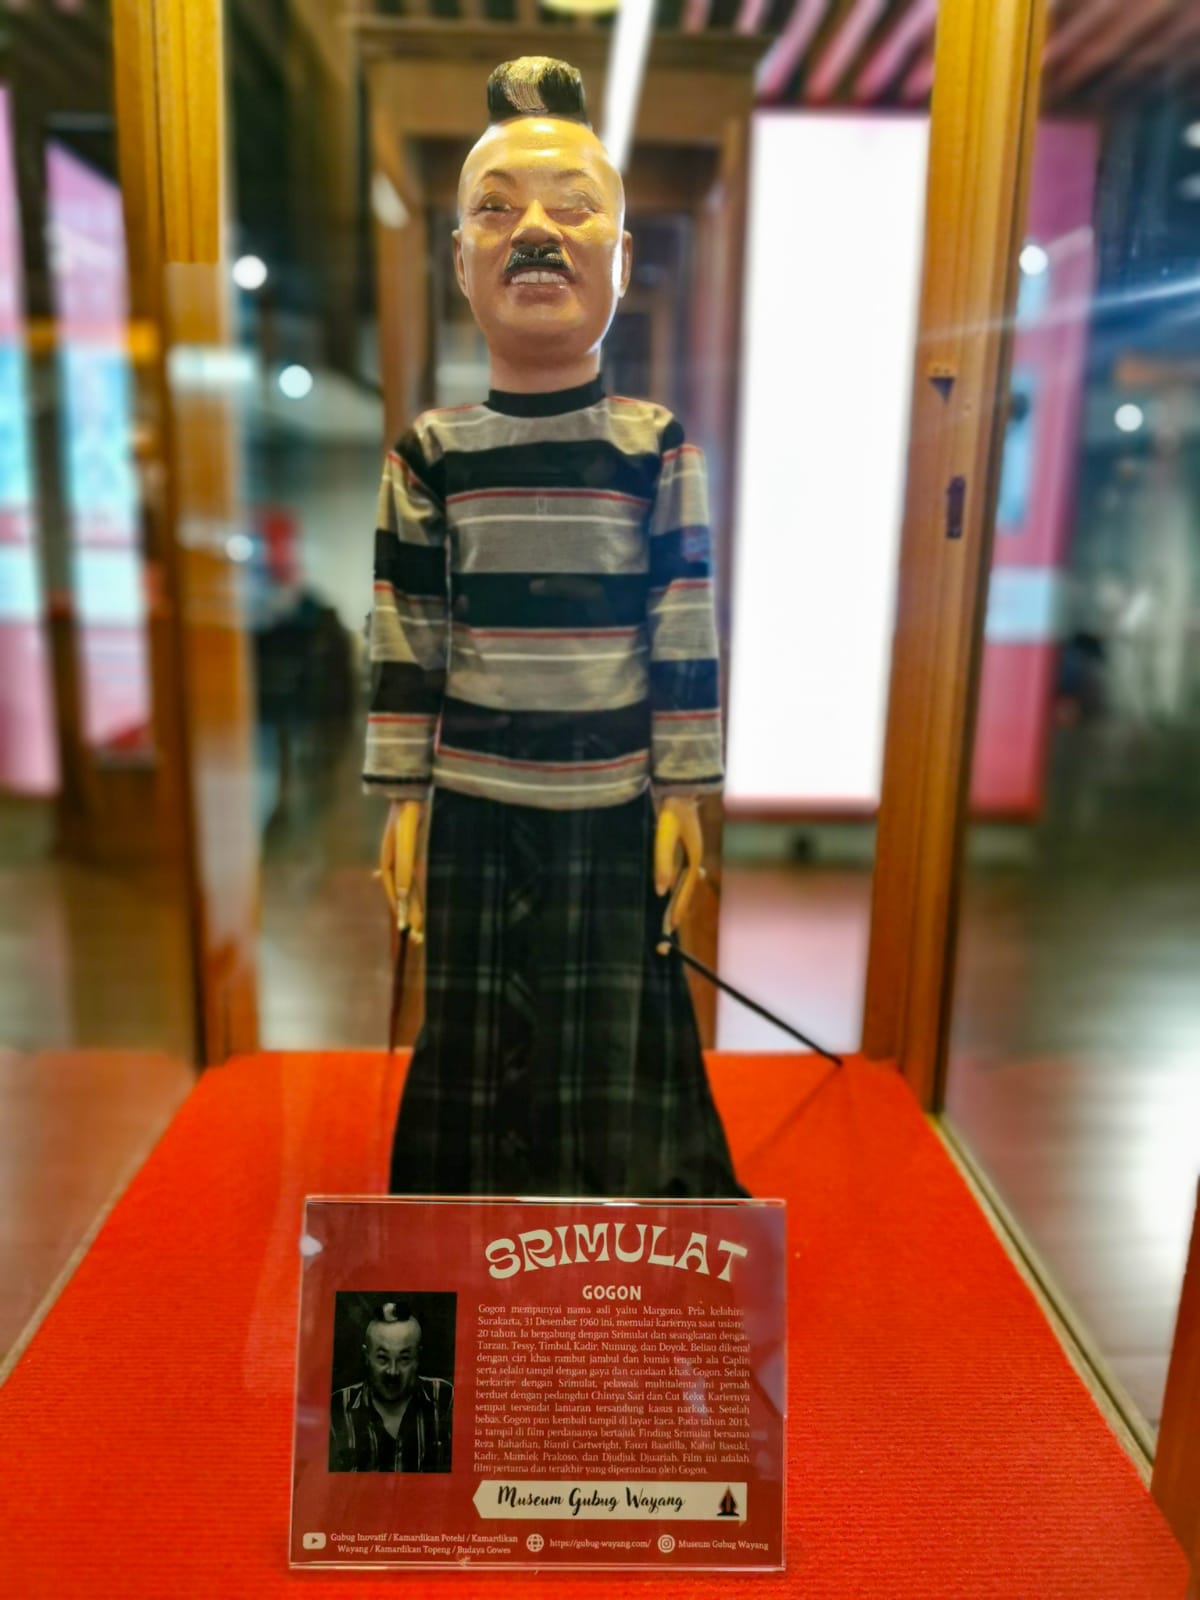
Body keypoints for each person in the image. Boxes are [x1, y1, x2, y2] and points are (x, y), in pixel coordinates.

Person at [365, 55, 742, 1201]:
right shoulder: (431, 454)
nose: (535, 231)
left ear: (620, 259)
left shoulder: (654, 445)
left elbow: (683, 624)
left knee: (611, 1029)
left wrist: (685, 793)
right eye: (498, 209)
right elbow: (406, 636)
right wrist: (403, 801)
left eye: (573, 209)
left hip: (612, 799)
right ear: (460, 261)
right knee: (470, 1030)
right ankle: (464, 1242)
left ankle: (613, 1252)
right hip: (473, 803)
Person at [329, 1301, 453, 1473]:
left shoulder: (447, 1401)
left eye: (404, 1358)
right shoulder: (335, 1410)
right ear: (366, 1356)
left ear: (418, 1358)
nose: (393, 1371)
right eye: (382, 1358)